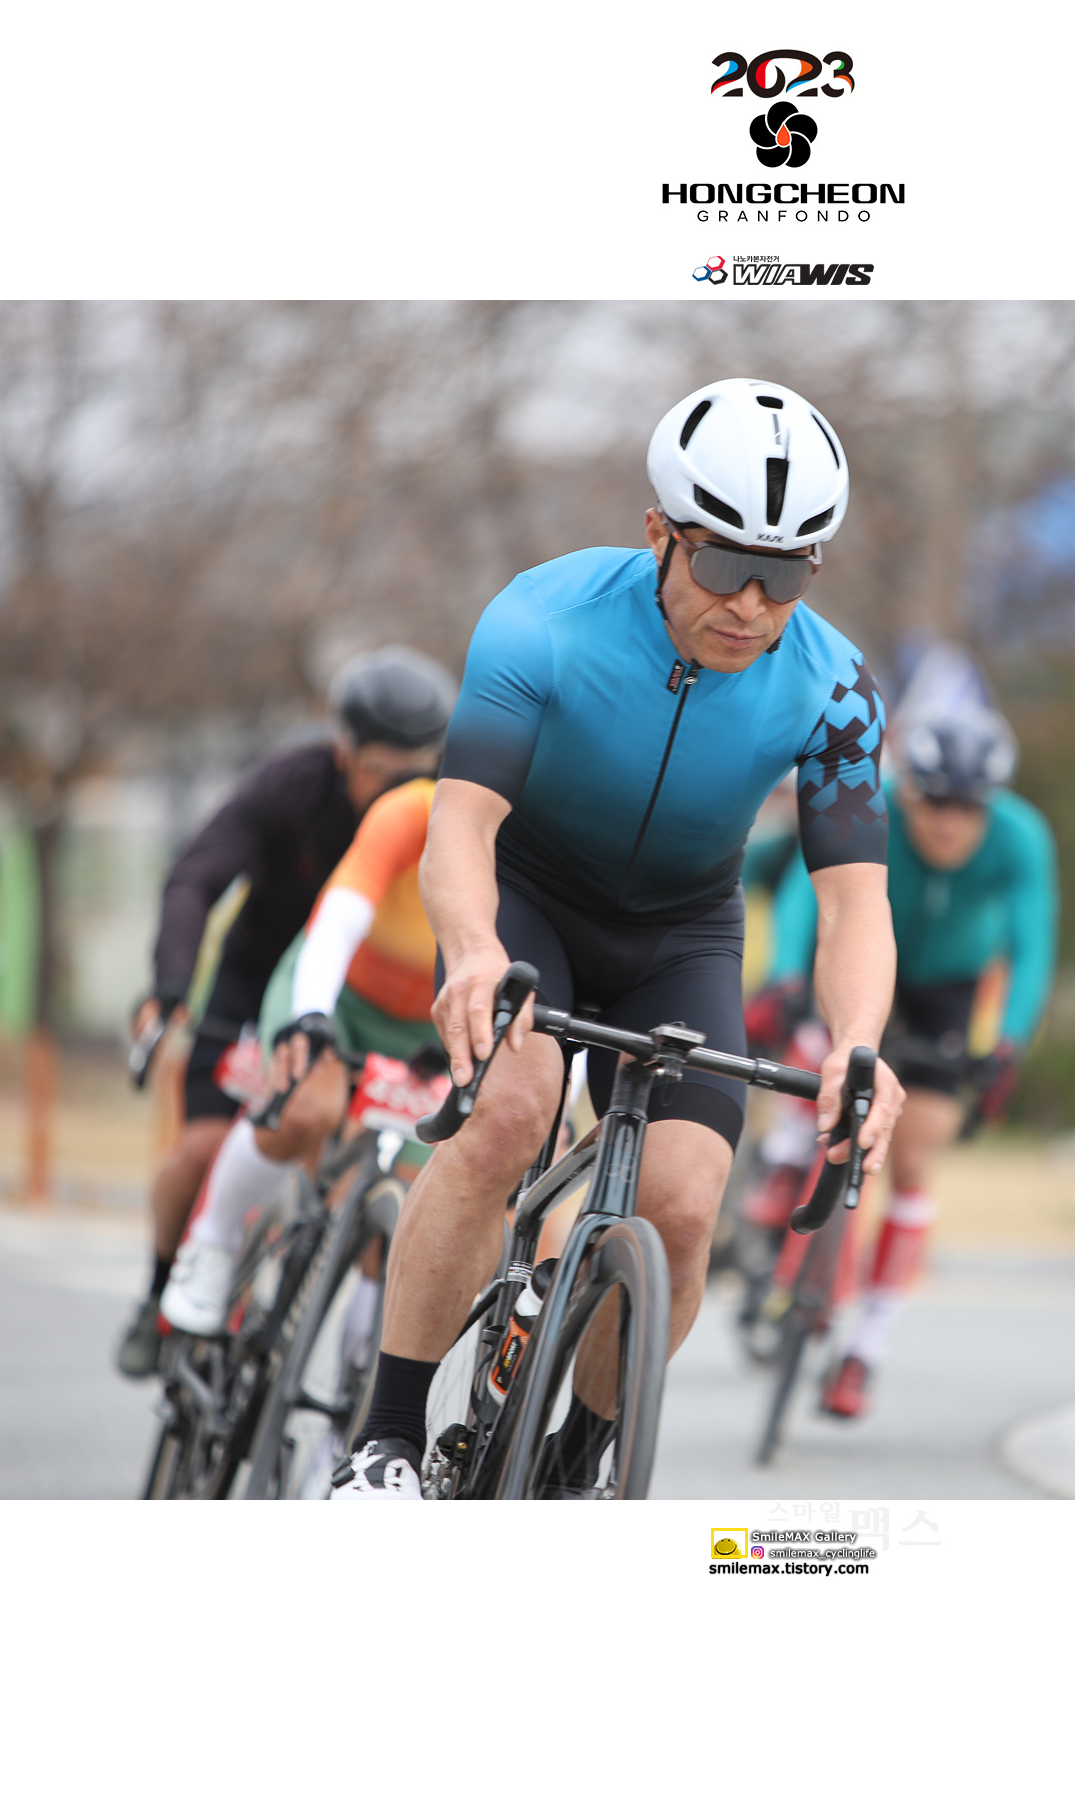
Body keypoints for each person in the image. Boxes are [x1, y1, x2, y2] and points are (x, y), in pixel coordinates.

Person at [332, 375, 907, 1499]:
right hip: (528, 898)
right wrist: (473, 949)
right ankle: (385, 1441)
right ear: (658, 533)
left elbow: (853, 903)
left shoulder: (837, 686)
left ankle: (574, 1469)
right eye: (723, 566)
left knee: (684, 1204)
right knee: (509, 1113)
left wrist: (857, 1043)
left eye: (785, 575)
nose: (751, 604)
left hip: (682, 934)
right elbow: (461, 827)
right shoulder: (542, 618)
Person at [113, 648, 457, 1378]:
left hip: (374, 999)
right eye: (383, 769)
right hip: (259, 984)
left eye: (417, 770)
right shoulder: (292, 785)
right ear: (343, 749)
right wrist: (171, 982)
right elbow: (196, 875)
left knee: (375, 1186)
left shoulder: (434, 814)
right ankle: (162, 1289)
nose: (402, 787)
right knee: (208, 1147)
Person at [760, 705, 1058, 1418]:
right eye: (936, 802)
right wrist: (786, 977)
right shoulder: (874, 804)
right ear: (910, 788)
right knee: (819, 1047)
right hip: (866, 964)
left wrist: (1008, 1044)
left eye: (969, 807)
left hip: (946, 991)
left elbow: (1032, 947)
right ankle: (786, 1151)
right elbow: (805, 892)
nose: (950, 823)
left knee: (917, 1160)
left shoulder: (1021, 837)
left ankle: (867, 1345)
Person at [158, 763, 450, 1338]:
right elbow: (338, 921)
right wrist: (311, 1018)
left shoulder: (545, 848)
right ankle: (211, 1239)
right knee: (306, 1110)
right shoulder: (412, 810)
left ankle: (355, 1392)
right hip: (337, 992)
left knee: (411, 1213)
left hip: (424, 1028)